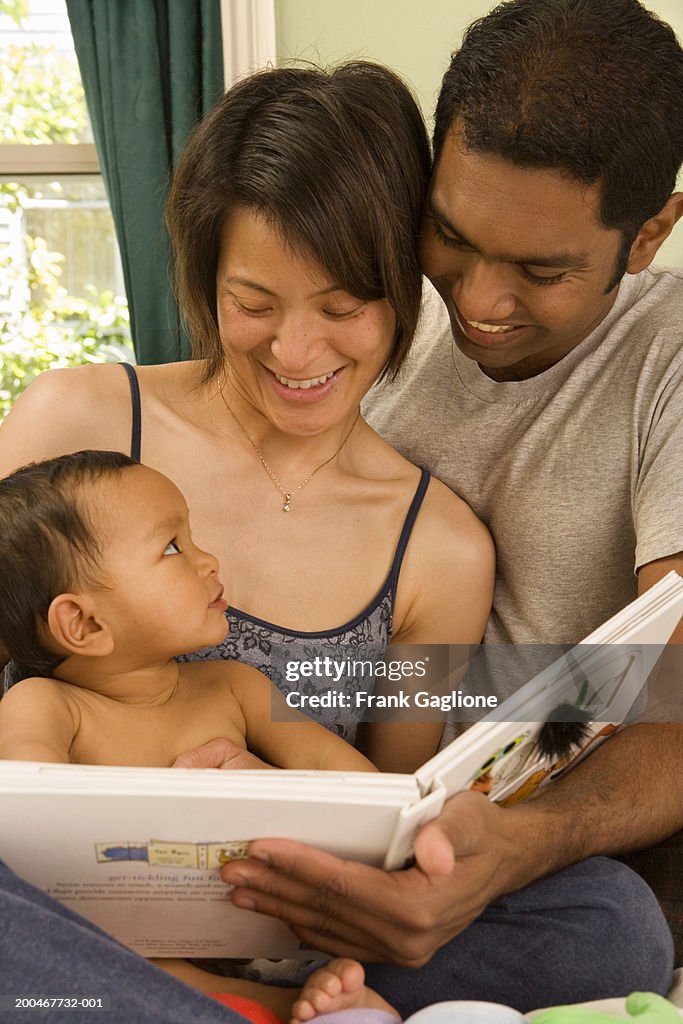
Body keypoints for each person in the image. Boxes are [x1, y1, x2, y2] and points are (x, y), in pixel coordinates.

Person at [210, 0, 683, 1012]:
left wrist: (519, 846)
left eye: (539, 269)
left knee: (614, 931)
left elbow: (677, 698)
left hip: (476, 839)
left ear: (648, 233)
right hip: (235, 755)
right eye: (451, 235)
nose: (474, 298)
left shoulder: (667, 364)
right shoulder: (360, 300)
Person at [0, 61, 496, 1017]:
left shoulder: (438, 550)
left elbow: (388, 825)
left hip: (283, 930)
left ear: (405, 287)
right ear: (204, 279)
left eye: (342, 307)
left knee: (603, 920)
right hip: (53, 915)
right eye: (254, 304)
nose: (295, 353)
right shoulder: (82, 423)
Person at [0, 448, 388, 1023]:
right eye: (173, 547)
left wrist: (263, 784)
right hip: (120, 948)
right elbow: (26, 820)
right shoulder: (47, 706)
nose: (208, 560)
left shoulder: (233, 687)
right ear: (83, 623)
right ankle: (275, 1009)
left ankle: (289, 996)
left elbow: (370, 794)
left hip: (266, 935)